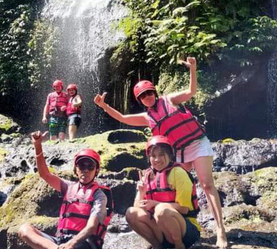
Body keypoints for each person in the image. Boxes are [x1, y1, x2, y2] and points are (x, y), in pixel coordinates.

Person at [94, 57, 228, 248]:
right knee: (173, 187)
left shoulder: (169, 100)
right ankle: (176, 228)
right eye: (143, 96)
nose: (147, 97)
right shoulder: (146, 118)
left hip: (197, 143)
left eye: (149, 93)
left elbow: (191, 91)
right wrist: (103, 106)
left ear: (154, 92)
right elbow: (123, 118)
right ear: (139, 100)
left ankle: (221, 230)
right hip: (179, 150)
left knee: (206, 184)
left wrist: (193, 69)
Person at [18, 131, 113, 249]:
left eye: (90, 166)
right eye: (82, 166)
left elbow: (91, 227)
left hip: (83, 243)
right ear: (76, 169)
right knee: (24, 229)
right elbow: (45, 174)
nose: (86, 170)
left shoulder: (99, 195)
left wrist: (71, 244)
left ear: (96, 171)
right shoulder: (68, 187)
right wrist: (38, 146)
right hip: (60, 242)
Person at [126, 136, 201, 249]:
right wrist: (142, 192)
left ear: (170, 155)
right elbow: (137, 208)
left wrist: (155, 204)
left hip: (186, 231)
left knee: (161, 210)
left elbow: (184, 209)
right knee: (131, 213)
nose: (157, 159)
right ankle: (157, 246)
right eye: (153, 156)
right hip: (161, 231)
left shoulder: (179, 173)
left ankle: (179, 245)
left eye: (161, 154)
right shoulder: (147, 176)